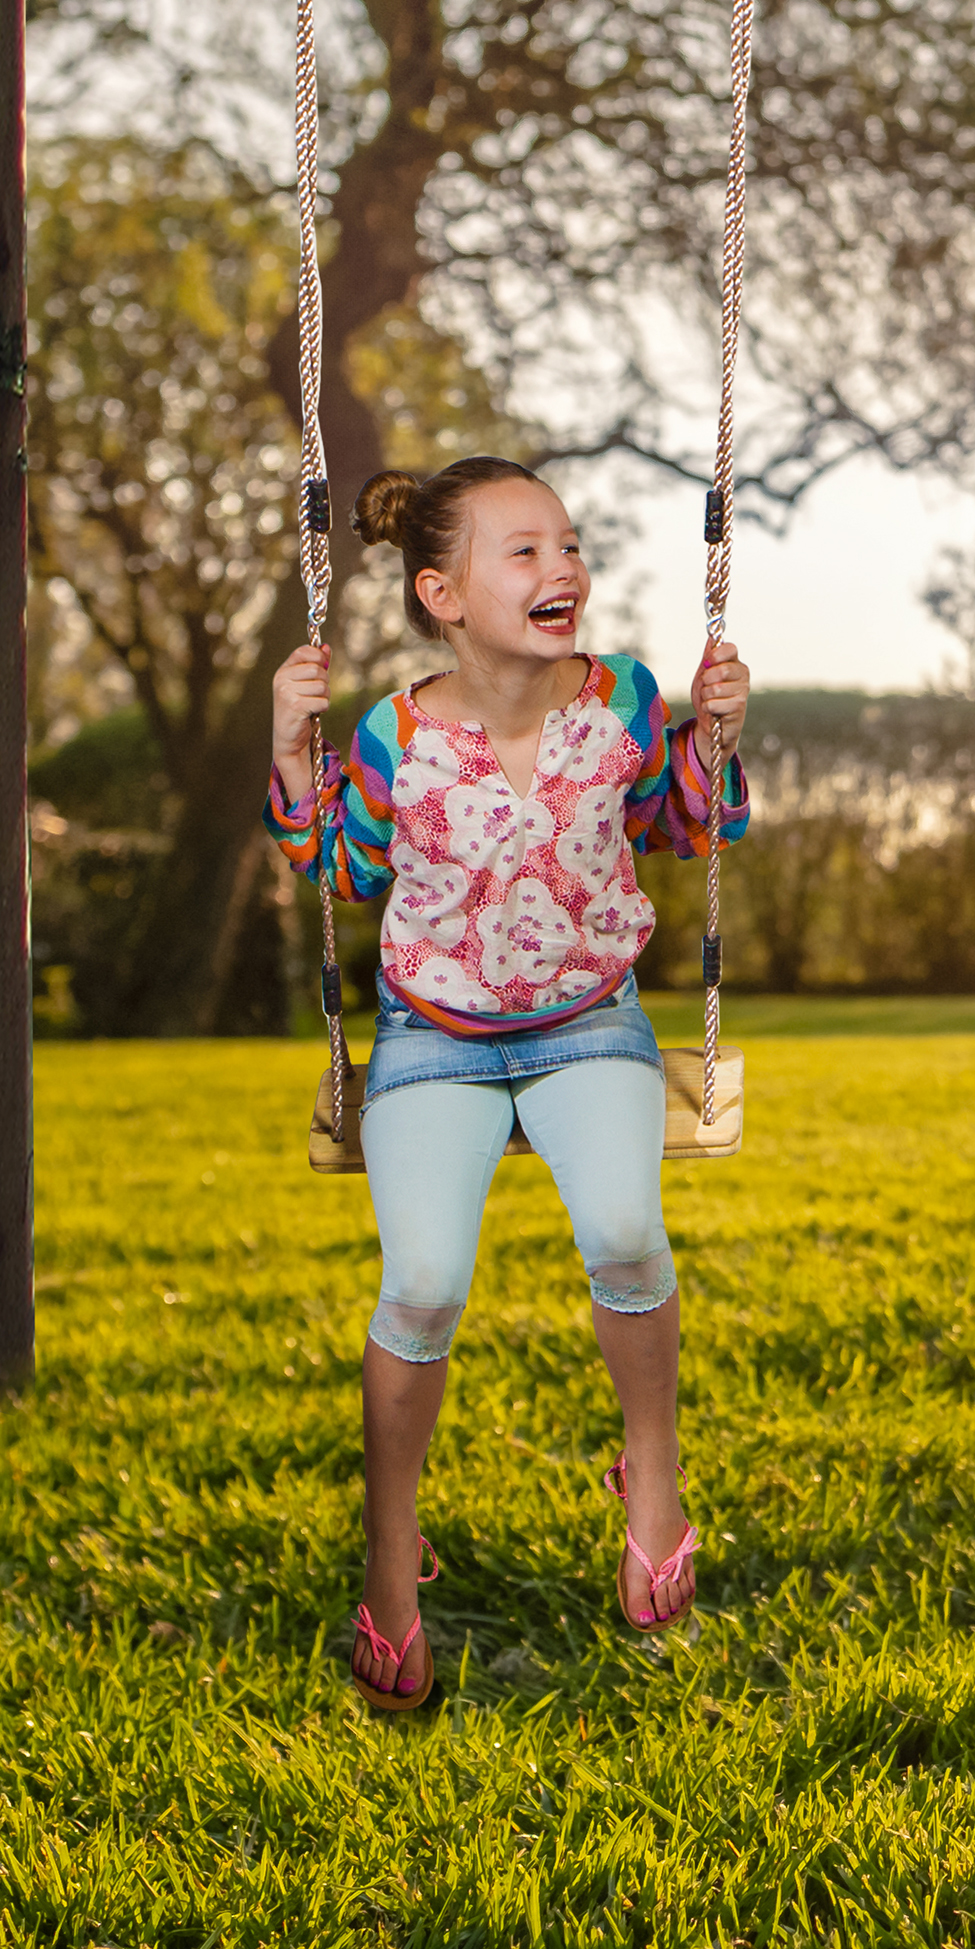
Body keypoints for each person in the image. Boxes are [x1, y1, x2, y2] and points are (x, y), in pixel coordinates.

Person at [266, 455, 750, 1713]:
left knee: (629, 1238)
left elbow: (686, 827)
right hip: (435, 1039)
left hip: (591, 1021)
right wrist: (286, 738)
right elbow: (332, 862)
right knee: (421, 1285)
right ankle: (389, 1547)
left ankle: (652, 1469)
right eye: (524, 552)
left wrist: (716, 738)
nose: (564, 569)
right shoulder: (393, 734)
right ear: (443, 593)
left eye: (571, 546)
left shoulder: (628, 701)